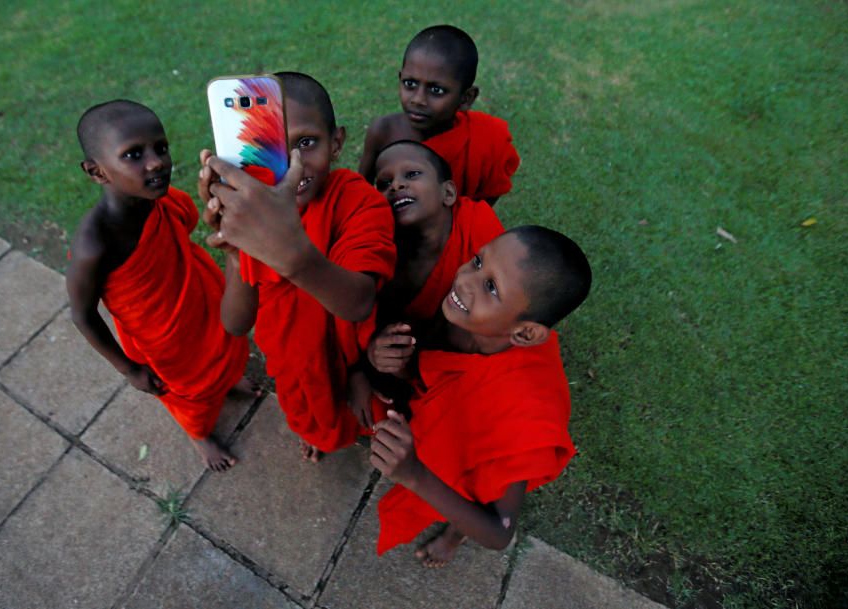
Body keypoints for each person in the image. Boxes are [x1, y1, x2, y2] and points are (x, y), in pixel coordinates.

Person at [198, 73, 396, 462]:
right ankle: (313, 434)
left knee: (365, 413)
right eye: (268, 147)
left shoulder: (358, 201)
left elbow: (358, 303)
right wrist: (237, 254)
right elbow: (236, 323)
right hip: (294, 363)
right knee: (309, 417)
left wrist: (289, 252)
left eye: (306, 143)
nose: (294, 165)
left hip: (354, 357)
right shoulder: (252, 217)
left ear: (336, 142)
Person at [368, 226, 591, 566]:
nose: (465, 281)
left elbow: (500, 532)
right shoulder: (468, 315)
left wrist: (414, 474)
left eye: (490, 286)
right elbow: (434, 370)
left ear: (525, 332)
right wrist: (394, 363)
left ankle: (454, 535)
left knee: (477, 486)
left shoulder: (526, 415)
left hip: (494, 435)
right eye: (476, 261)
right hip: (454, 410)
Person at [67, 99, 250, 472]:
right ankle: (200, 434)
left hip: (199, 302)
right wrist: (128, 369)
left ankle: (228, 381)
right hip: (164, 341)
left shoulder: (154, 200)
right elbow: (83, 315)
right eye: (134, 154)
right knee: (190, 393)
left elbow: (181, 222)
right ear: (96, 171)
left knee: (228, 348)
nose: (156, 162)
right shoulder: (94, 244)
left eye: (160, 147)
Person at [349, 140, 503, 429]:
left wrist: (418, 366)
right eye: (384, 183)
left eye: (412, 175)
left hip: (454, 353)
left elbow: (499, 309)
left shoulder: (477, 226)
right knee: (368, 417)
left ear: (448, 193)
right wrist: (363, 364)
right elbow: (348, 312)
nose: (395, 186)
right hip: (394, 357)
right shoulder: (374, 244)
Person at [358, 25, 521, 205]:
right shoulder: (384, 131)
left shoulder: (484, 140)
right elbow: (360, 192)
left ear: (466, 98)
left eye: (436, 90)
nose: (418, 99)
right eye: (410, 84)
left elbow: (485, 204)